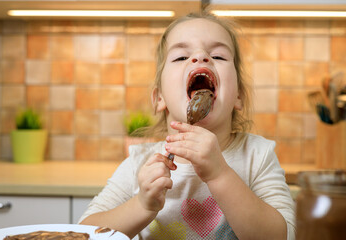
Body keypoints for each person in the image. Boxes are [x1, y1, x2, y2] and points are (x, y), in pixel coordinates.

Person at [79, 12, 295, 240]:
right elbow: (85, 233)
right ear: (159, 97)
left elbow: (284, 235)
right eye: (181, 57)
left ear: (239, 95)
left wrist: (220, 175)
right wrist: (141, 205)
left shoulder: (256, 156)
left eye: (218, 56)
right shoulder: (139, 164)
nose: (200, 57)